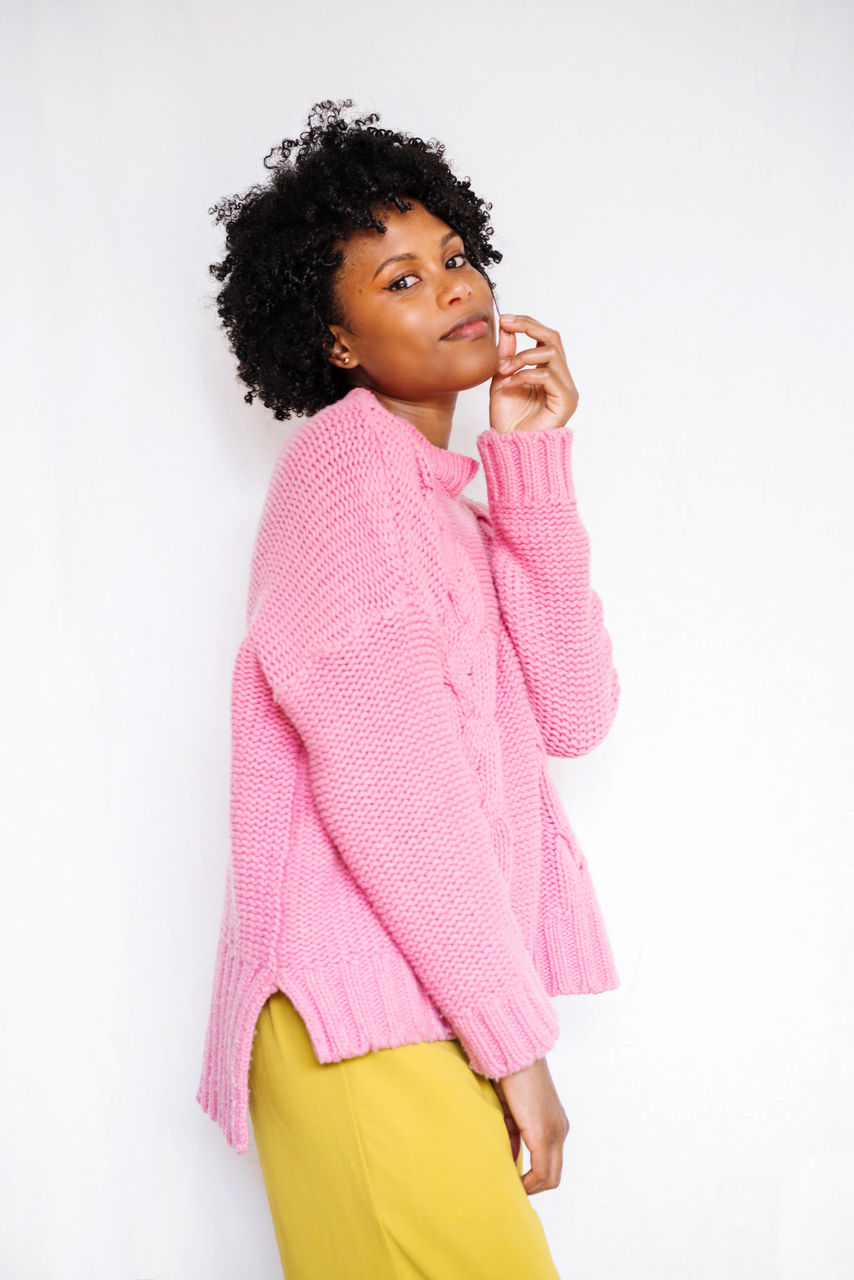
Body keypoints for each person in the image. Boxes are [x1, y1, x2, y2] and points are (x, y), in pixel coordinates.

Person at [196, 97, 621, 1279]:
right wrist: (516, 1044)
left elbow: (575, 715)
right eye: (397, 279)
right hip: (358, 1022)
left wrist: (530, 465)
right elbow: (397, 794)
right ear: (331, 342)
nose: (451, 285)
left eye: (454, 255)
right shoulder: (344, 480)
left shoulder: (443, 507)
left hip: (414, 1008)